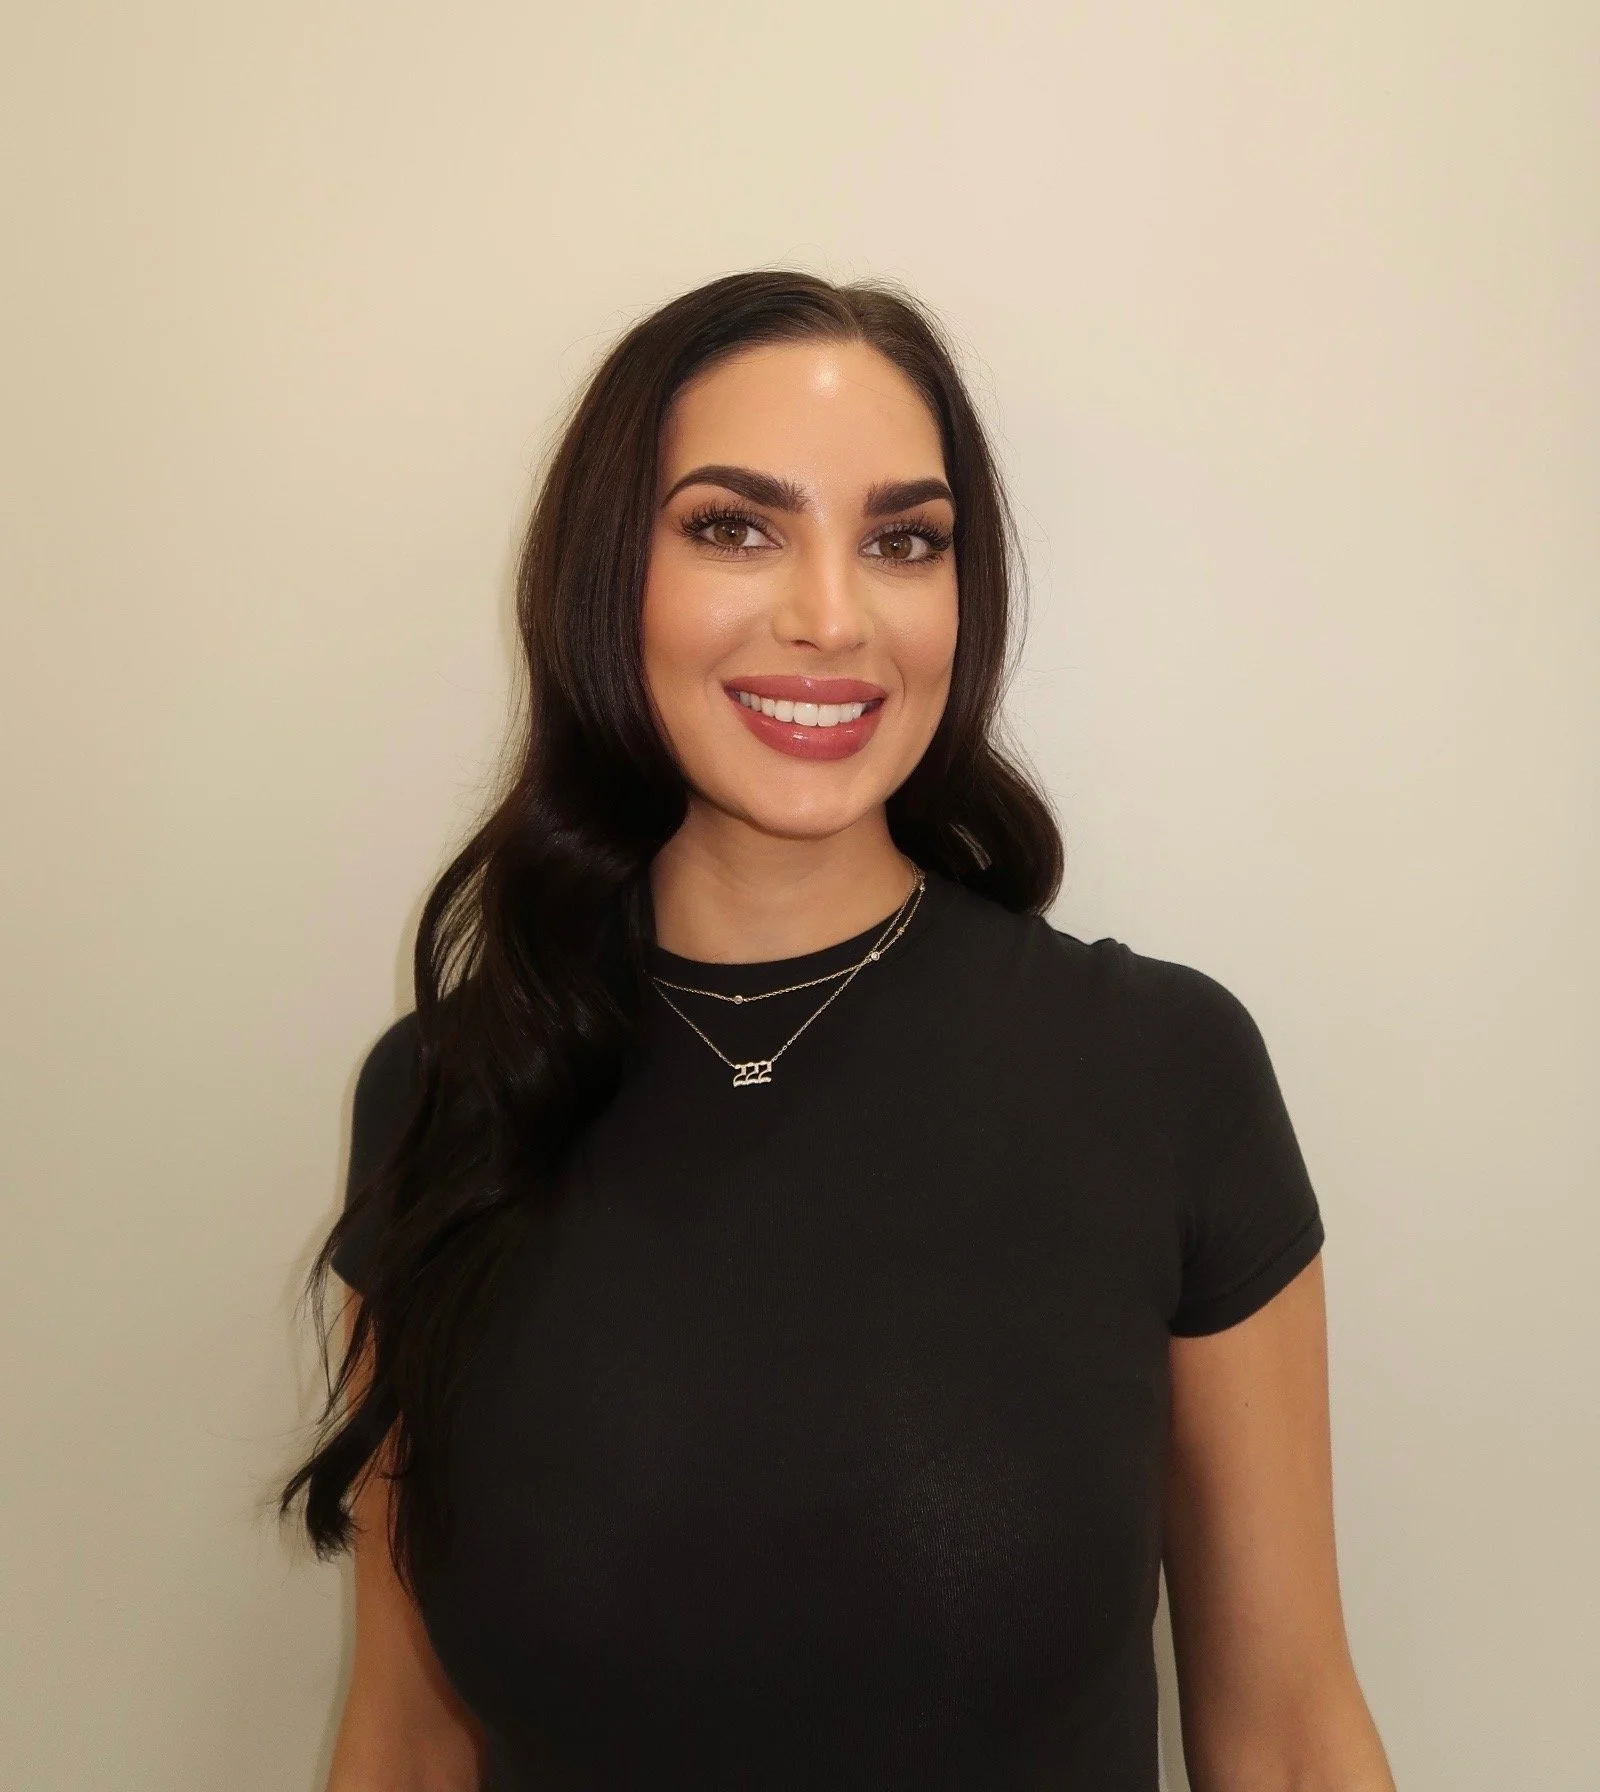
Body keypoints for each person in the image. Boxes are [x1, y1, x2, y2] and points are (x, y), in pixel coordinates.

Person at [284, 271, 1396, 1791]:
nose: (829, 616)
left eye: (903, 540)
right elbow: (409, 1743)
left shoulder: (1162, 1072)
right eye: (735, 527)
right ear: (606, 576)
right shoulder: (446, 1093)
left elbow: (1288, 1739)